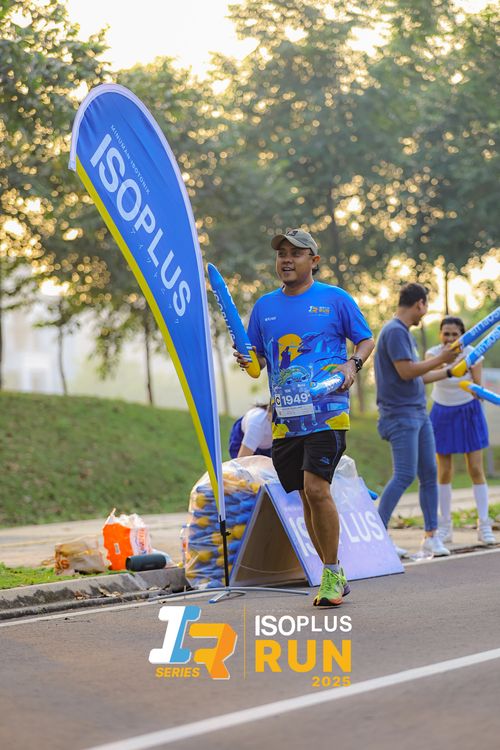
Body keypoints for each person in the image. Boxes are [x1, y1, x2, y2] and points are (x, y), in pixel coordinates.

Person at [234, 227, 375, 607]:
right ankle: (335, 572)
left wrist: (352, 364)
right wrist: (247, 359)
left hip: (327, 412)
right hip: (286, 417)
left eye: (295, 253)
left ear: (313, 260)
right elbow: (257, 361)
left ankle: (329, 574)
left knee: (316, 488)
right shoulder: (264, 307)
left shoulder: (335, 299)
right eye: (281, 253)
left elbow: (365, 339)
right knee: (304, 496)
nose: (286, 259)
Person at [374, 283, 458, 558]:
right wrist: (442, 358)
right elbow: (407, 371)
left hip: (418, 413)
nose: (426, 311)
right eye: (426, 306)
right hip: (400, 415)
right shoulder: (395, 331)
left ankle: (431, 537)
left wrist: (448, 371)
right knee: (405, 474)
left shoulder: (404, 333)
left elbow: (418, 376)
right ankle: (379, 534)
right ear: (419, 303)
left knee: (429, 474)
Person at [426, 316, 495, 545]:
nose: (450, 338)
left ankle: (484, 525)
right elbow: (428, 375)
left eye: (455, 334)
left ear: (463, 335)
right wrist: (447, 364)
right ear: (440, 335)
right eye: (446, 333)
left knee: (475, 468)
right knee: (444, 471)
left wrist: (477, 389)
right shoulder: (433, 354)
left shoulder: (473, 353)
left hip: (469, 411)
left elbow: (477, 387)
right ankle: (445, 526)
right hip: (442, 412)